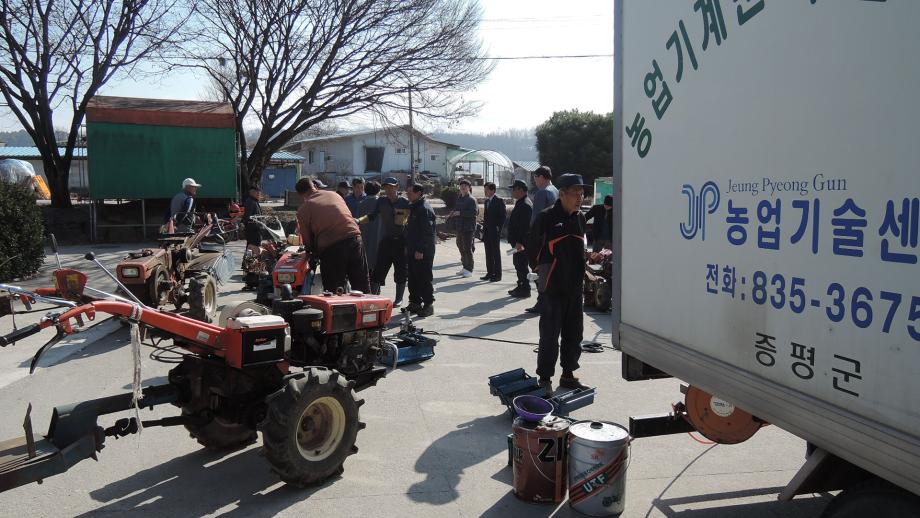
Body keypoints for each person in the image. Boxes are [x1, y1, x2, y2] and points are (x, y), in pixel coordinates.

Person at [528, 173, 589, 392]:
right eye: (575, 193)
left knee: (574, 334)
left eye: (582, 193)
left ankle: (568, 374)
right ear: (562, 194)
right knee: (550, 336)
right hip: (553, 288)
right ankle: (544, 378)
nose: (580, 197)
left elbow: (580, 250)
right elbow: (532, 248)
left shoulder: (580, 218)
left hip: (574, 288)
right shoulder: (546, 217)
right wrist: (541, 273)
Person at [295, 176, 370, 294]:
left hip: (332, 248)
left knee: (334, 291)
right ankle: (368, 309)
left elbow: (307, 240)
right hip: (355, 240)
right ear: (315, 186)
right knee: (361, 286)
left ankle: (339, 311)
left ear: (301, 195)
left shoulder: (303, 210)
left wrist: (312, 252)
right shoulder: (334, 195)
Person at [359, 177, 410, 306]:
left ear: (397, 187)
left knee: (401, 271)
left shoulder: (404, 202)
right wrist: (359, 220)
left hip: (401, 242)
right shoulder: (381, 201)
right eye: (386, 187)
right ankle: (373, 297)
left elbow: (406, 223)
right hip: (386, 240)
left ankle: (399, 299)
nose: (388, 189)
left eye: (391, 187)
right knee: (378, 271)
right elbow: (372, 215)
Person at [525, 166, 559, 313]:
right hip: (555, 237)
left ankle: (542, 301)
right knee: (551, 271)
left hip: (541, 238)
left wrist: (530, 237)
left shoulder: (542, 193)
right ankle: (549, 299)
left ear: (541, 177)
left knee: (538, 269)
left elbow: (536, 219)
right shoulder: (556, 191)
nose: (535, 181)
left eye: (535, 178)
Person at [405, 184, 437, 317]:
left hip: (423, 251)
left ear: (418, 193)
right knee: (413, 278)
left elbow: (427, 233)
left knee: (424, 278)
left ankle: (428, 305)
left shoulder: (424, 209)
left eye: (410, 193)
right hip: (413, 250)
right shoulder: (414, 207)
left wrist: (420, 249)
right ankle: (415, 302)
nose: (407, 195)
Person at [506, 180, 533, 298]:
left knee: (521, 265)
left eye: (514, 189)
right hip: (517, 242)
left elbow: (525, 227)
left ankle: (525, 288)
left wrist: (520, 242)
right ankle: (521, 285)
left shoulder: (526, 205)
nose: (512, 191)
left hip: (521, 243)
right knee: (518, 264)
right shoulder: (521, 202)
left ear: (520, 190)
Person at [450, 178, 478, 278]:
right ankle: (465, 267)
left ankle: (469, 269)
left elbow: (474, 213)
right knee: (460, 245)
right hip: (459, 227)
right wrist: (453, 213)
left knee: (467, 248)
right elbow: (456, 209)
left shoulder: (471, 199)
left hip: (468, 228)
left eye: (465, 186)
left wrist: (460, 213)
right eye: (461, 186)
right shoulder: (459, 198)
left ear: (469, 188)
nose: (463, 188)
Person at [355, 181, 381, 280]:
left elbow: (357, 221)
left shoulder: (361, 204)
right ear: (378, 191)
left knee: (365, 269)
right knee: (377, 271)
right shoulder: (381, 203)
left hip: (364, 238)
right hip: (379, 238)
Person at [481, 182, 506, 282]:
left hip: (495, 231)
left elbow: (503, 216)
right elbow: (486, 216)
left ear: (492, 190)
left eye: (486, 189)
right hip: (487, 231)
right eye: (484, 190)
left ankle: (497, 274)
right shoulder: (486, 202)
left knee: (496, 253)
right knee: (488, 252)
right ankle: (490, 272)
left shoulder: (499, 201)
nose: (485, 192)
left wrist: (498, 228)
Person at [242, 185, 263, 256]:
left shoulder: (254, 201)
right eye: (258, 193)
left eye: (259, 193)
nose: (259, 195)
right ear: (252, 193)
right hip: (253, 230)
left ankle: (248, 264)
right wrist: (257, 225)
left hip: (255, 229)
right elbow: (248, 217)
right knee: (253, 248)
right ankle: (249, 264)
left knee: (251, 248)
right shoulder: (250, 202)